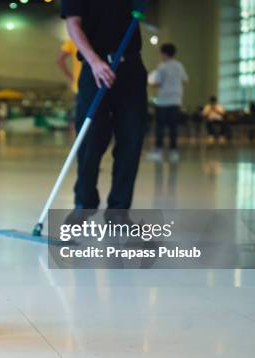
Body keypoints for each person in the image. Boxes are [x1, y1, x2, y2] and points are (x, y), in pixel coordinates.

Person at [61, 0, 148, 222]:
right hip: (95, 70)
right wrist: (95, 62)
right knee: (91, 139)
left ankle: (118, 211)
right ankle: (84, 203)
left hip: (130, 69)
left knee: (131, 140)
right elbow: (73, 24)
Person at [147, 43, 188, 162]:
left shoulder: (162, 67)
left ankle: (158, 151)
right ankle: (173, 151)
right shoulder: (179, 66)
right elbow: (185, 81)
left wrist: (152, 84)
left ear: (164, 54)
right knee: (173, 127)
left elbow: (156, 83)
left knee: (160, 127)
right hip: (176, 100)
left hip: (163, 101)